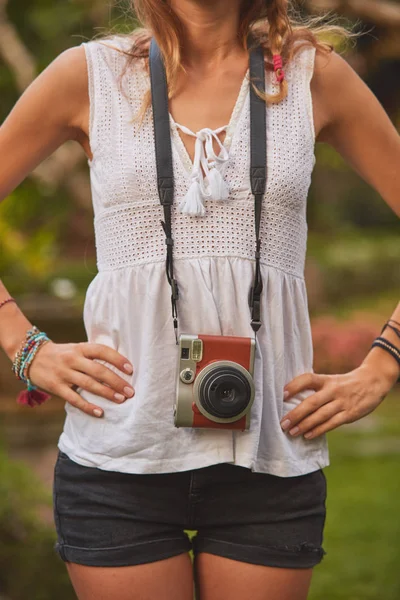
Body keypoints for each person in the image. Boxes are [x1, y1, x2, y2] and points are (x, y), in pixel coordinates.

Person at [0, 0, 399, 598]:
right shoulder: (89, 74)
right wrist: (25, 346)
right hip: (120, 453)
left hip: (271, 452)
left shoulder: (314, 75)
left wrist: (385, 361)